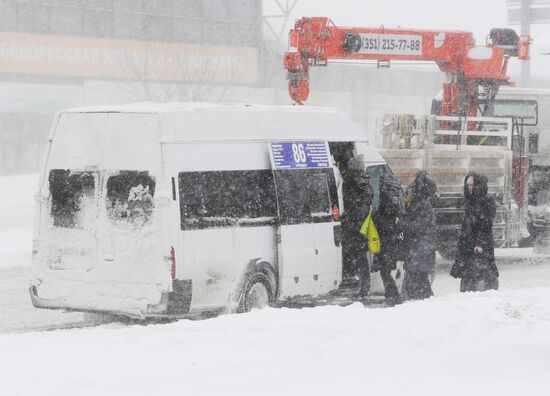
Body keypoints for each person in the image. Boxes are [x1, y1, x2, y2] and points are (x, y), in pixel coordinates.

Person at [450, 172, 499, 292]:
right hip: (468, 243)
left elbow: (486, 225)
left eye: (471, 185)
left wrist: (480, 243)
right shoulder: (470, 201)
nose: (469, 187)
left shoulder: (486, 201)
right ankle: (468, 293)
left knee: (480, 272)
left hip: (480, 245)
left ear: (478, 185)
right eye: (467, 185)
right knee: (468, 272)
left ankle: (481, 293)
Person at [400, 170, 437, 300]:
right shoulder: (419, 202)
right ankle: (423, 303)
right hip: (419, 250)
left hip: (420, 250)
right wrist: (407, 188)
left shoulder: (423, 205)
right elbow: (405, 204)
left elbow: (417, 226)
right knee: (419, 281)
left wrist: (402, 224)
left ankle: (425, 304)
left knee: (420, 283)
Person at [341, 154, 373, 298]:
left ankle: (362, 285)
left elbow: (354, 205)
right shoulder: (366, 181)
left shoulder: (355, 182)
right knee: (361, 256)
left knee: (358, 256)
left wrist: (350, 221)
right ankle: (363, 284)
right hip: (362, 226)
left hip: (356, 226)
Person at [372, 172, 405, 305]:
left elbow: (384, 221)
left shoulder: (386, 201)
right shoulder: (395, 200)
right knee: (385, 268)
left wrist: (375, 217)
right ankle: (391, 294)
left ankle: (393, 295)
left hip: (386, 239)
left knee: (384, 269)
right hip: (391, 239)